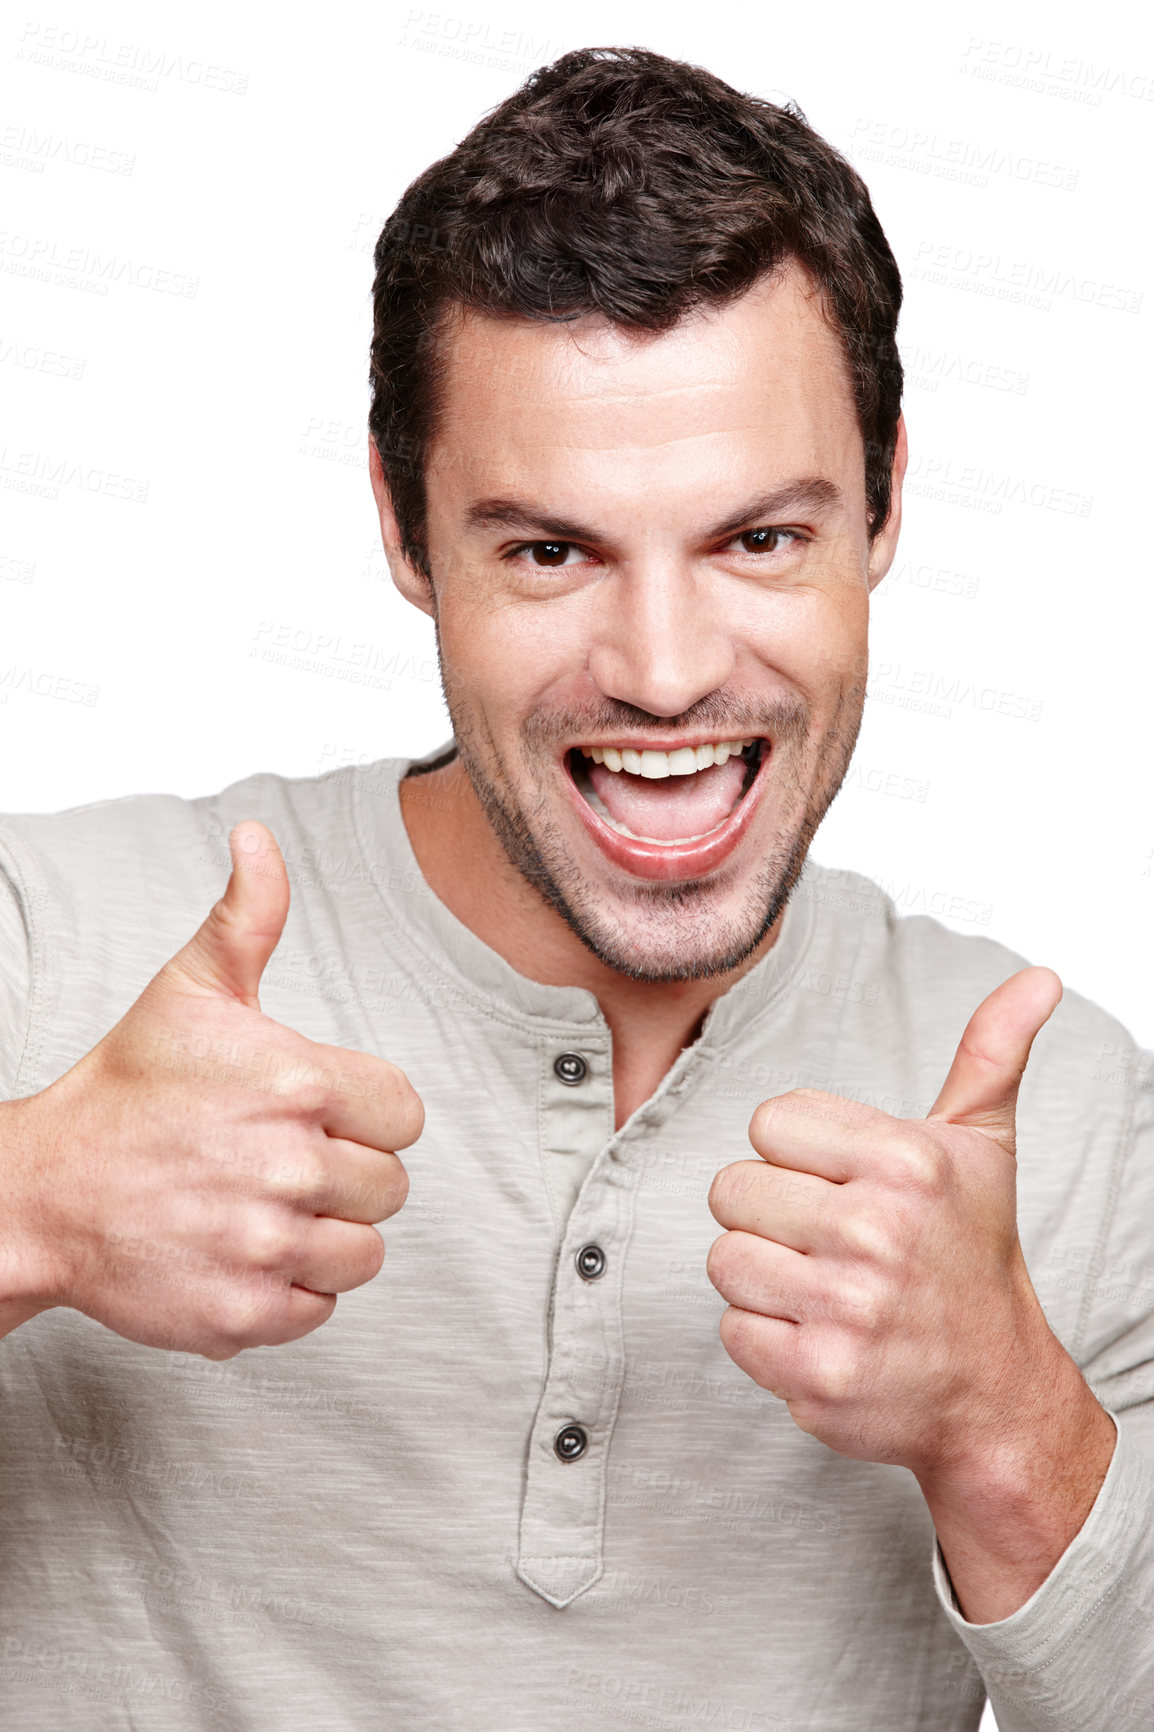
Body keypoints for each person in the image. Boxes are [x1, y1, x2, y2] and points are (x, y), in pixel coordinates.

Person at [0, 45, 1149, 1732]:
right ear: (405, 528)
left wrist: (1005, 1425)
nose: (667, 673)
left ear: (888, 497)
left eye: (757, 539)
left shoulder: (1068, 1120)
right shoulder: (50, 945)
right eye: (549, 551)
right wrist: (31, 1202)